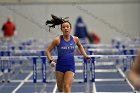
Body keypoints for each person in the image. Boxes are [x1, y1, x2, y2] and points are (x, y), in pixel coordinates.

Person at [46, 21, 91, 93]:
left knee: (66, 86)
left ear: (70, 28)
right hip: (59, 67)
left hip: (70, 66)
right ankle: (63, 85)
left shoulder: (75, 39)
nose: (66, 28)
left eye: (67, 27)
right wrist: (51, 61)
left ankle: (69, 80)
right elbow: (48, 50)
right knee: (60, 89)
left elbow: (80, 46)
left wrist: (85, 55)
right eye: (63, 27)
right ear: (61, 29)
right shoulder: (57, 40)